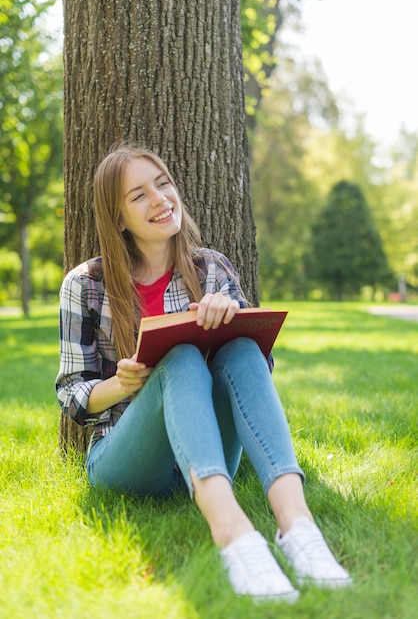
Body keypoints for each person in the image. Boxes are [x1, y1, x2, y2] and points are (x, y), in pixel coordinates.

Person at [56, 144, 352, 602]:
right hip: (128, 460)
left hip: (209, 448)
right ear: (118, 220)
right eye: (138, 196)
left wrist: (232, 320)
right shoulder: (85, 285)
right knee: (179, 359)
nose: (159, 199)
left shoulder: (211, 268)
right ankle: (233, 535)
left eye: (163, 184)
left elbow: (255, 374)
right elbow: (71, 395)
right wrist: (121, 384)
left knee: (240, 345)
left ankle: (298, 529)